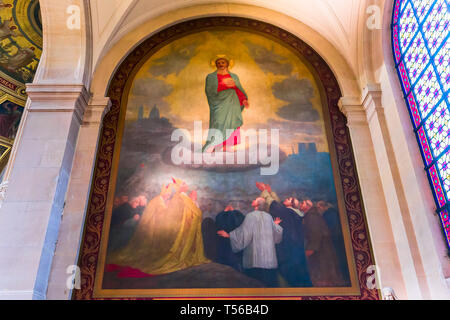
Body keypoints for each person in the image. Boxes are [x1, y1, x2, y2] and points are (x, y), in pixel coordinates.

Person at [108, 178, 210, 275]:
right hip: (172, 228)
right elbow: (191, 213)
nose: (186, 185)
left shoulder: (177, 197)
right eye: (183, 184)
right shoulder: (180, 197)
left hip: (177, 227)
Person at [256, 182, 312, 287]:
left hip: (288, 251)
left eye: (289, 199)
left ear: (292, 205)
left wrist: (264, 191)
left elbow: (275, 206)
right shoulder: (293, 213)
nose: (286, 199)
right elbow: (279, 206)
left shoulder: (289, 213)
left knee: (291, 277)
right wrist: (270, 192)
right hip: (292, 249)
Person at [217, 197, 283, 287]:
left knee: (254, 285)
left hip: (255, 261)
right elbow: (276, 232)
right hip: (268, 259)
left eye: (255, 200)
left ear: (257, 205)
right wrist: (275, 225)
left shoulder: (251, 216)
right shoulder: (268, 217)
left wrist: (229, 235)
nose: (252, 200)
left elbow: (243, 234)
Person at [202, 55, 249, 153]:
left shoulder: (234, 76)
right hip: (219, 102)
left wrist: (244, 99)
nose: (221, 64)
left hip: (232, 103)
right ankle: (213, 144)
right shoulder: (211, 77)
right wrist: (223, 85)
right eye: (218, 63)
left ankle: (228, 145)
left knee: (231, 123)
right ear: (215, 65)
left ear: (227, 64)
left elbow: (238, 89)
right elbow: (209, 91)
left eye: (223, 62)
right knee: (218, 122)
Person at [301, 199, 344, 286]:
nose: (301, 204)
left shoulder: (311, 217)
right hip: (322, 249)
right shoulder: (311, 215)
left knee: (323, 275)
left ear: (308, 206)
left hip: (320, 251)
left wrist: (310, 249)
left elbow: (315, 234)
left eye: (303, 203)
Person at [316, 200, 349, 284]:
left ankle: (344, 279)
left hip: (335, 240)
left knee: (339, 260)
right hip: (336, 240)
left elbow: (332, 228)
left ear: (323, 206)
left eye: (318, 207)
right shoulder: (331, 213)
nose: (318, 209)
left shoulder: (329, 214)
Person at [214, 205, 245, 272]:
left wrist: (225, 210)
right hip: (233, 249)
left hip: (225, 247)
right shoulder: (238, 217)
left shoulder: (221, 218)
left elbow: (218, 220)